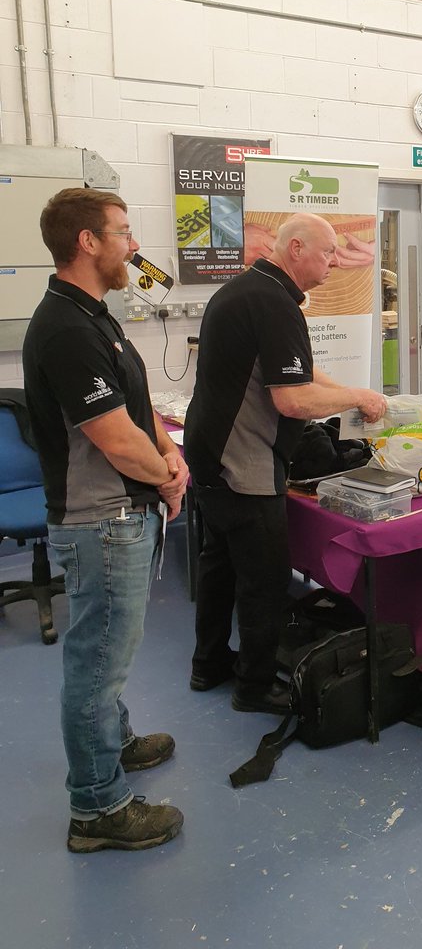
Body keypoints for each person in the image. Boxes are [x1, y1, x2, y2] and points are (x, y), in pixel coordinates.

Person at [23, 188, 189, 853]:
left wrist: (169, 456)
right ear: (87, 242)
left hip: (126, 508)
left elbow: (137, 409)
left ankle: (114, 741)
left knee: (107, 652)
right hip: (101, 520)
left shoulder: (95, 316)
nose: (134, 244)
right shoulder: (64, 329)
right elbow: (116, 441)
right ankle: (97, 808)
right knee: (97, 662)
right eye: (123, 231)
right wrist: (166, 474)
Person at [184, 213, 387, 715]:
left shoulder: (247, 291)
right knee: (264, 580)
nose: (336, 263)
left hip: (208, 457)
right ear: (296, 248)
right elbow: (292, 400)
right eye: (327, 253)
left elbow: (299, 369)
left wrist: (351, 393)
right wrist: (353, 398)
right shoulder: (274, 303)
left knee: (220, 565)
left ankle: (209, 663)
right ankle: (253, 686)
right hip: (243, 463)